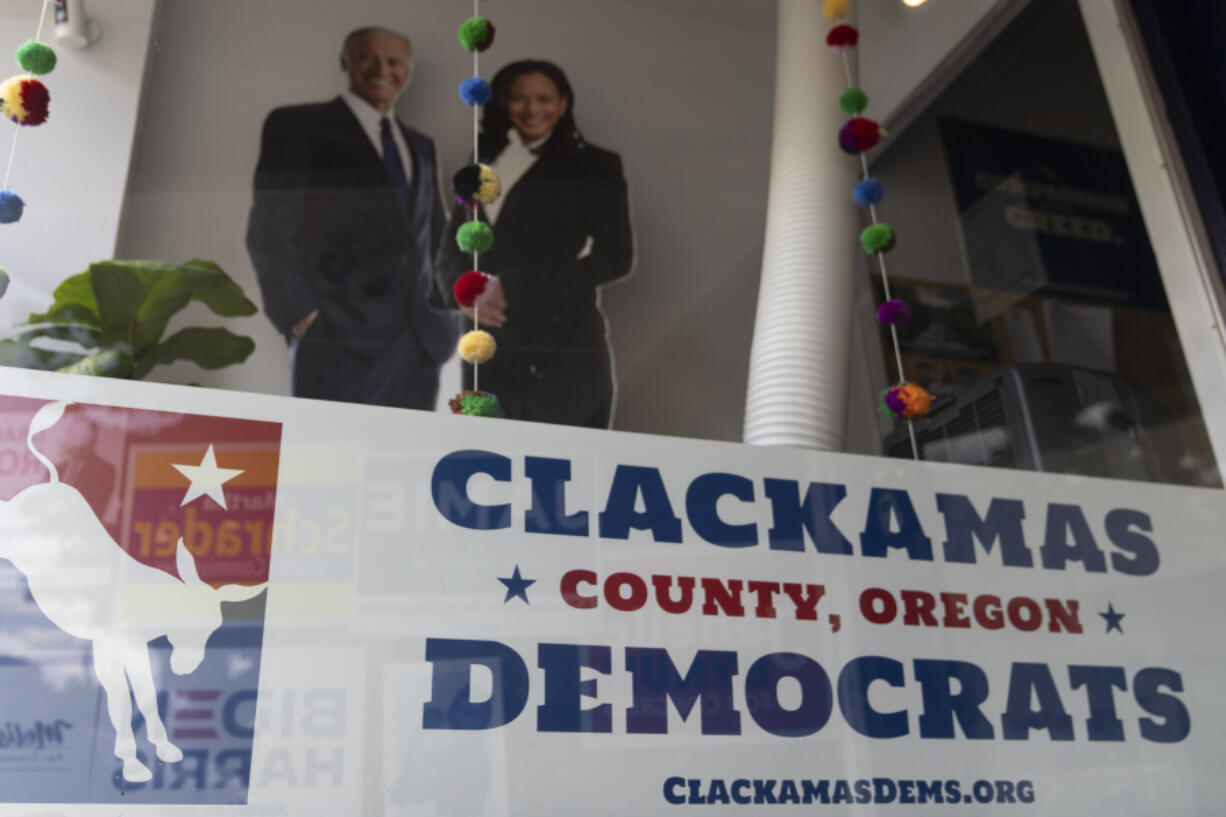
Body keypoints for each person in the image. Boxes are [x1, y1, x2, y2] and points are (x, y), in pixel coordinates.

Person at [246, 27, 456, 410]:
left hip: (420, 342)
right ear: (346, 62)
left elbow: (433, 236)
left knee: (400, 461)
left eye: (394, 62)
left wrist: (449, 314)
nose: (381, 69)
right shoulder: (298, 126)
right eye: (368, 57)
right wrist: (303, 319)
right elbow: (269, 234)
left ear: (408, 70)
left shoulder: (421, 145)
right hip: (338, 338)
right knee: (333, 461)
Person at [437, 60, 634, 428]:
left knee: (567, 471)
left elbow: (616, 258)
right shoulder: (480, 160)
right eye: (519, 99)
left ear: (563, 103)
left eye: (544, 99)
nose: (532, 110)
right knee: (485, 469)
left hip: (563, 345)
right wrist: (462, 291)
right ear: (502, 103)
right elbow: (452, 243)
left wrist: (507, 287)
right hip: (486, 346)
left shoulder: (596, 165)